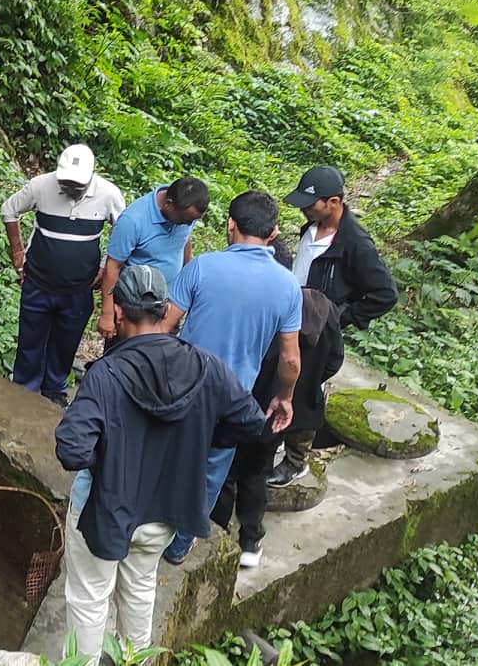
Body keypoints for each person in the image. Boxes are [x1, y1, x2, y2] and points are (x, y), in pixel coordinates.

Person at [55, 265, 267, 662]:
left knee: (88, 599)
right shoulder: (206, 367)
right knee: (139, 590)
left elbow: (71, 449)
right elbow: (252, 422)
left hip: (104, 510)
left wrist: (112, 455)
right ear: (167, 311)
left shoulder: (106, 375)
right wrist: (199, 442)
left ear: (118, 312)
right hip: (164, 513)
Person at [159, 191, 300, 566]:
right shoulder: (288, 287)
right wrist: (284, 397)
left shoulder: (202, 268)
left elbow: (164, 327)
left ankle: (148, 528)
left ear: (230, 225)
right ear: (273, 233)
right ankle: (179, 544)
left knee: (167, 455)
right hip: (233, 399)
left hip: (183, 386)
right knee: (210, 471)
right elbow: (290, 358)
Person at [270, 165, 396, 487]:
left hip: (317, 331)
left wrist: (339, 317)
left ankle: (296, 460)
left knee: (305, 395)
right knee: (279, 382)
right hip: (291, 319)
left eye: (310, 205)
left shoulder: (355, 244)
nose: (304, 209)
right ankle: (271, 440)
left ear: (334, 202)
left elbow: (384, 294)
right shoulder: (311, 228)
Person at [215, 285, 343, 568]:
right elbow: (334, 361)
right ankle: (250, 541)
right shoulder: (328, 312)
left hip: (257, 403)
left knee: (227, 471)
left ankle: (218, 534)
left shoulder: (276, 313)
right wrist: (304, 388)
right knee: (256, 472)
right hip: (286, 412)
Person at [1, 144, 127, 407]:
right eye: (66, 182)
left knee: (66, 342)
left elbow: (122, 229)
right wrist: (17, 252)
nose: (70, 188)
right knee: (30, 340)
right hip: (38, 282)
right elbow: (9, 210)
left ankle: (55, 389)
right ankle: (24, 389)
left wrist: (105, 265)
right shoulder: (40, 186)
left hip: (78, 289)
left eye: (76, 184)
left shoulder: (108, 194)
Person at [94, 177, 209, 338]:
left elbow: (185, 242)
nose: (189, 224)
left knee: (160, 356)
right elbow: (113, 266)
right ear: (168, 204)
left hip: (168, 303)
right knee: (126, 356)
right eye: (186, 220)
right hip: (135, 305)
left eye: (192, 221)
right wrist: (107, 314)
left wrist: (186, 279)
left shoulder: (185, 214)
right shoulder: (133, 220)